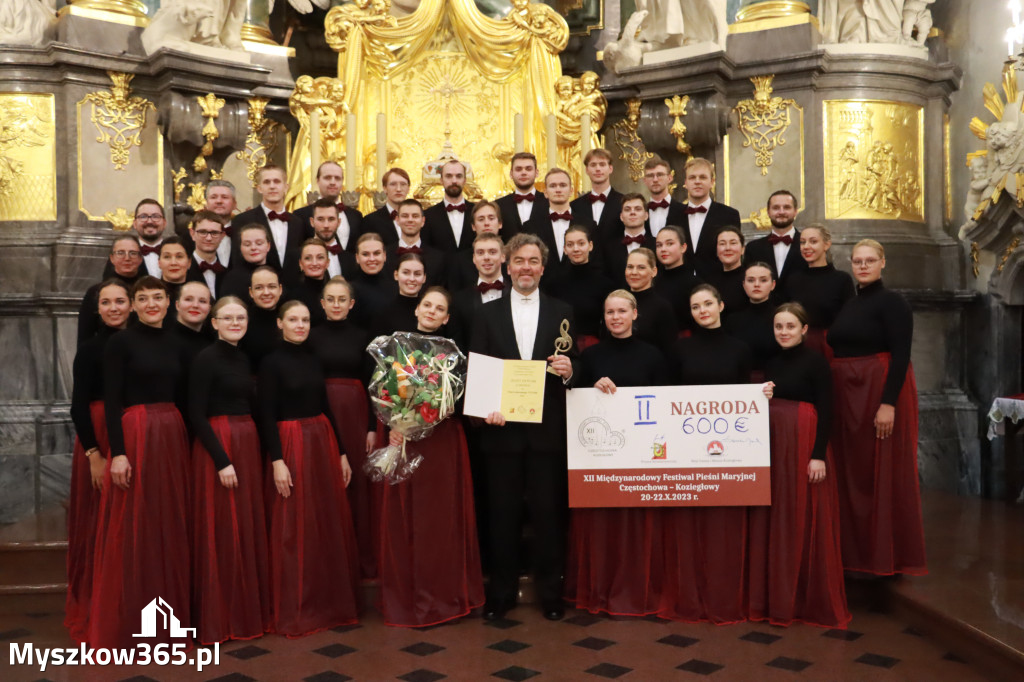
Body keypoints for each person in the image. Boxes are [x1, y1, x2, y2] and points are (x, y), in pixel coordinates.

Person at [470, 232, 578, 622]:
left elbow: (575, 363)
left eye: (533, 261)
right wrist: (486, 409)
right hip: (502, 433)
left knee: (549, 516)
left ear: (543, 268)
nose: (526, 268)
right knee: (502, 516)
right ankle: (501, 593)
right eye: (519, 261)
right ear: (506, 265)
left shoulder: (563, 311)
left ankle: (552, 593)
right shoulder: (485, 314)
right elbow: (479, 370)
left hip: (547, 432)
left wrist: (569, 372)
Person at [90, 277, 192, 649]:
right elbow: (114, 402)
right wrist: (118, 452)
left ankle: (170, 619)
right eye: (143, 298)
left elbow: (183, 399)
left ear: (170, 302)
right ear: (133, 305)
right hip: (136, 433)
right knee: (135, 522)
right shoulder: (119, 343)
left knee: (169, 520)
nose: (151, 304)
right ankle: (133, 619)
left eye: (158, 297)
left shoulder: (178, 344)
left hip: (171, 434)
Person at [378, 287, 485, 627]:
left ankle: (446, 599)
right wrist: (394, 426)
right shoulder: (393, 348)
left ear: (447, 318)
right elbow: (383, 396)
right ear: (417, 309)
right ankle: (411, 599)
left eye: (439, 308)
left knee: (442, 521)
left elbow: (465, 401)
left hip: (443, 444)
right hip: (407, 441)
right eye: (427, 305)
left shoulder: (454, 356)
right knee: (408, 520)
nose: (431, 312)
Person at [564, 290, 668, 616]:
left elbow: (663, 406)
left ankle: (638, 591)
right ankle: (601, 590)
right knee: (602, 524)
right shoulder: (590, 357)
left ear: (635, 314)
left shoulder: (653, 356)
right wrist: (591, 388)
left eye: (622, 311)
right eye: (610, 312)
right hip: (601, 457)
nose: (616, 318)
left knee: (638, 525)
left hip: (640, 457)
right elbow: (576, 398)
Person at [259, 301, 360, 635]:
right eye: (293, 320)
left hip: (321, 441)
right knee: (294, 525)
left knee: (323, 520)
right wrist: (277, 461)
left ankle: (327, 601)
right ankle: (298, 603)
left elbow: (326, 407)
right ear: (280, 323)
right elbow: (267, 416)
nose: (300, 325)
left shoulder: (314, 358)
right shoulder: (271, 364)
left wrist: (342, 453)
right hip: (291, 443)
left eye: (304, 320)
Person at [827, 239, 926, 576]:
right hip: (848, 395)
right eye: (857, 261)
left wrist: (887, 404)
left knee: (880, 472)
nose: (863, 266)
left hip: (877, 391)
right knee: (852, 473)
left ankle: (886, 556)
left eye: (870, 260)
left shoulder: (893, 302)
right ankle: (854, 554)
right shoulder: (850, 303)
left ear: (883, 262)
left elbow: (901, 355)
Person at [750, 302, 850, 628]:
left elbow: (827, 410)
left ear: (805, 329)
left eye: (790, 326)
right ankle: (777, 597)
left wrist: (818, 454)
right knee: (778, 515)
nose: (784, 332)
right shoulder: (771, 361)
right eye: (779, 327)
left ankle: (805, 599)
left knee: (802, 515)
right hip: (776, 446)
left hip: (804, 443)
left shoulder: (817, 363)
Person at [662, 284, 752, 624]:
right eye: (696, 305)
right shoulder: (680, 349)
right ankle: (689, 590)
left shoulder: (740, 349)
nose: (702, 310)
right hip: (687, 449)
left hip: (729, 452)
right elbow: (668, 397)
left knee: (722, 521)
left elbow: (746, 399)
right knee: (689, 520)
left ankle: (724, 591)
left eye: (708, 304)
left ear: (721, 305)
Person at [188, 296, 271, 644]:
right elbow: (195, 413)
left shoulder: (243, 357)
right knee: (222, 528)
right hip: (219, 445)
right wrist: (222, 460)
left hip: (246, 441)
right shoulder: (206, 358)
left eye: (241, 318)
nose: (235, 323)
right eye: (228, 318)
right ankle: (219, 618)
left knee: (245, 524)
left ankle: (245, 611)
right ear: (215, 323)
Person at [65, 279, 131, 643]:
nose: (114, 308)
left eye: (120, 301)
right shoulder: (89, 350)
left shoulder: (136, 344)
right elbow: (77, 407)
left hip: (131, 434)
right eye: (107, 303)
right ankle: (101, 603)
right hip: (98, 441)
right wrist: (94, 455)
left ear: (131, 305)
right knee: (100, 523)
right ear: (98, 309)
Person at [308, 277, 377, 580]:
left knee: (358, 484)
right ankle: (330, 557)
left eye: (342, 299)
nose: (336, 305)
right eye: (330, 299)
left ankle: (361, 558)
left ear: (351, 304)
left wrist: (373, 427)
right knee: (326, 480)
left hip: (356, 413)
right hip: (320, 413)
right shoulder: (310, 336)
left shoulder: (364, 336)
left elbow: (375, 386)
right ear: (322, 304)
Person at [784, 224, 855, 359]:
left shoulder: (841, 279)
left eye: (813, 241)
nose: (806, 247)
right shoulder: (793, 279)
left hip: (830, 348)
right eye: (803, 242)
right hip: (796, 346)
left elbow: (848, 320)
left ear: (826, 245)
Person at [542, 224, 614, 351]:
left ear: (590, 246)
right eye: (570, 245)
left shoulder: (605, 285)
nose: (576, 249)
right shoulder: (553, 284)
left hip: (594, 349)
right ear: (565, 249)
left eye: (581, 243)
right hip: (559, 348)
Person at [232, 165, 306, 283]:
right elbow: (237, 262)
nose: (272, 186)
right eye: (267, 182)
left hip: (292, 291)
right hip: (256, 289)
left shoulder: (298, 222)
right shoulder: (242, 220)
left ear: (286, 187)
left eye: (277, 181)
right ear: (259, 188)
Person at [679, 158, 741, 281]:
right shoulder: (674, 214)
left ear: (712, 182)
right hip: (681, 284)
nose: (697, 182)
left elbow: (734, 255)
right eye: (692, 178)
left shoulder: (729, 215)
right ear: (685, 182)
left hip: (719, 282)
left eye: (702, 177)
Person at [78, 236, 145, 344]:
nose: (127, 258)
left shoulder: (149, 291)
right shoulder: (95, 292)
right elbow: (85, 336)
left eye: (133, 253)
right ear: (112, 258)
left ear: (140, 259)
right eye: (120, 253)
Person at [449, 233, 509, 349]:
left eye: (492, 252)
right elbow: (457, 344)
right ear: (474, 258)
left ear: (503, 257)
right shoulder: (459, 300)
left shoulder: (516, 293)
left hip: (511, 365)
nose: (486, 257)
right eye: (480, 253)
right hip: (473, 365)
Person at [744, 190, 808, 292]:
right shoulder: (753, 248)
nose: (781, 212)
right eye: (776, 208)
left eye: (787, 207)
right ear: (768, 212)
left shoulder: (808, 245)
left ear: (795, 211)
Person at [725, 262, 781, 376]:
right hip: (740, 382)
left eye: (763, 280)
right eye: (751, 280)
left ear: (773, 284)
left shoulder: (782, 317)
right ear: (744, 284)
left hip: (776, 379)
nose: (756, 284)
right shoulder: (732, 320)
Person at [526, 168, 579, 283]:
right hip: (543, 289)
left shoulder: (588, 224)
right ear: (545, 192)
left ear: (571, 191)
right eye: (553, 186)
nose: (558, 190)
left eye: (563, 185)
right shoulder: (530, 226)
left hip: (579, 288)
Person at [293, 161, 363, 243]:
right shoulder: (300, 215)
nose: (333, 182)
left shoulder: (356, 216)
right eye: (327, 178)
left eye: (337, 178)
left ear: (342, 182)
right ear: (317, 180)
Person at [625, 248, 678, 356]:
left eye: (641, 267)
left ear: (654, 271)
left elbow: (669, 351)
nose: (634, 272)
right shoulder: (617, 302)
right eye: (630, 267)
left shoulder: (662, 307)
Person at [385, 199, 448, 288]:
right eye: (405, 216)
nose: (410, 220)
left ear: (423, 221)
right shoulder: (384, 255)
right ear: (397, 220)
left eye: (415, 216)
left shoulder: (438, 259)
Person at [448, 200, 507, 291]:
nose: (486, 223)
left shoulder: (512, 257)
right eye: (481, 219)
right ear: (473, 226)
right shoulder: (459, 261)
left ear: (500, 224)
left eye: (491, 218)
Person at [602, 193, 656, 289]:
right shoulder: (608, 247)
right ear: (621, 216)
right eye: (627, 209)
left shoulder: (657, 245)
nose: (632, 212)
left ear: (646, 215)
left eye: (638, 209)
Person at [653, 225, 699, 332]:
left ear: (683, 247)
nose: (663, 249)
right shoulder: (651, 281)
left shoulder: (695, 284)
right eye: (659, 245)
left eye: (669, 244)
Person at [570, 149, 623, 240]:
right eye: (593, 165)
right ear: (587, 170)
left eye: (602, 164)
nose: (598, 169)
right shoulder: (575, 206)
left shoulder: (623, 202)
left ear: (610, 169)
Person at [423, 159, 475, 253]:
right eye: (449, 176)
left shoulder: (477, 212)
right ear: (441, 180)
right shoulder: (428, 215)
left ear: (464, 180)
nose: (454, 181)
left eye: (459, 176)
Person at [349, 233, 398, 328]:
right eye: (365, 254)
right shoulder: (349, 291)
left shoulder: (396, 288)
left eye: (376, 253)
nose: (371, 259)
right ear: (357, 258)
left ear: (384, 256)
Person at [371, 253, 427, 336]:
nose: (412, 279)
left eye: (417, 274)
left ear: (424, 278)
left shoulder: (430, 312)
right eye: (406, 273)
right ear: (396, 275)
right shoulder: (382, 313)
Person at [239, 266, 283, 369]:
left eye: (272, 286)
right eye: (259, 288)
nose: (266, 293)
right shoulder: (242, 322)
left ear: (280, 289)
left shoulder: (289, 319)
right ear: (251, 292)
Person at [496, 152, 548, 238]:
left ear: (537, 173)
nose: (523, 172)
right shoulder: (498, 205)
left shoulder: (549, 202)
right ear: (511, 174)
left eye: (528, 169)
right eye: (518, 169)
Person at [219, 224, 276, 301]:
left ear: (268, 246)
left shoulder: (277, 273)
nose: (253, 248)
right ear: (240, 248)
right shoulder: (232, 279)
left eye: (259, 243)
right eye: (247, 244)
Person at [307, 198, 357, 279]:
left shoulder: (351, 260)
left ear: (338, 222)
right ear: (312, 222)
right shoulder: (298, 257)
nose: (326, 225)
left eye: (331, 219)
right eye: (320, 219)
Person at [167, 280, 213, 368]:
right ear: (177, 305)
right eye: (188, 299)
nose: (195, 305)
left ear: (209, 308)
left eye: (202, 301)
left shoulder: (211, 342)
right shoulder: (165, 342)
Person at [705, 227, 748, 317]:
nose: (727, 248)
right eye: (722, 244)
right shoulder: (708, 281)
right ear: (716, 251)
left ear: (743, 249)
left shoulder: (750, 279)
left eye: (733, 243)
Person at [362, 167, 410, 246]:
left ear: (408, 189)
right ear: (385, 189)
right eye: (393, 184)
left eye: (403, 184)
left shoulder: (418, 219)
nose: (398, 189)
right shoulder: (371, 221)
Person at [186, 210, 228, 299]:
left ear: (222, 236)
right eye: (203, 232)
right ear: (192, 234)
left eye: (215, 233)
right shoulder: (183, 272)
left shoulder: (228, 275)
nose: (209, 238)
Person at [290, 238, 331, 326]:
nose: (314, 263)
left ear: (327, 262)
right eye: (308, 258)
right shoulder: (293, 297)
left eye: (320, 257)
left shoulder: (335, 293)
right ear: (301, 264)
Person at [643, 157, 687, 237]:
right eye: (650, 176)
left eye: (659, 175)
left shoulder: (684, 211)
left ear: (669, 178)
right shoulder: (640, 212)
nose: (655, 180)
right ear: (645, 181)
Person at [203, 179, 238, 266]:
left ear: (235, 204)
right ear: (206, 204)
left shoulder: (244, 232)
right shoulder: (192, 236)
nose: (219, 201)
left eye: (224, 197)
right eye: (213, 197)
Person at [133, 198, 167, 278]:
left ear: (164, 223)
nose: (149, 221)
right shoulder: (123, 253)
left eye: (156, 216)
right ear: (135, 224)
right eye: (143, 217)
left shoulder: (178, 252)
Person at [156, 236, 190, 303]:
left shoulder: (200, 292)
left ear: (189, 262)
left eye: (179, 256)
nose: (173, 263)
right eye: (167, 257)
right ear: (159, 263)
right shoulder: (149, 293)